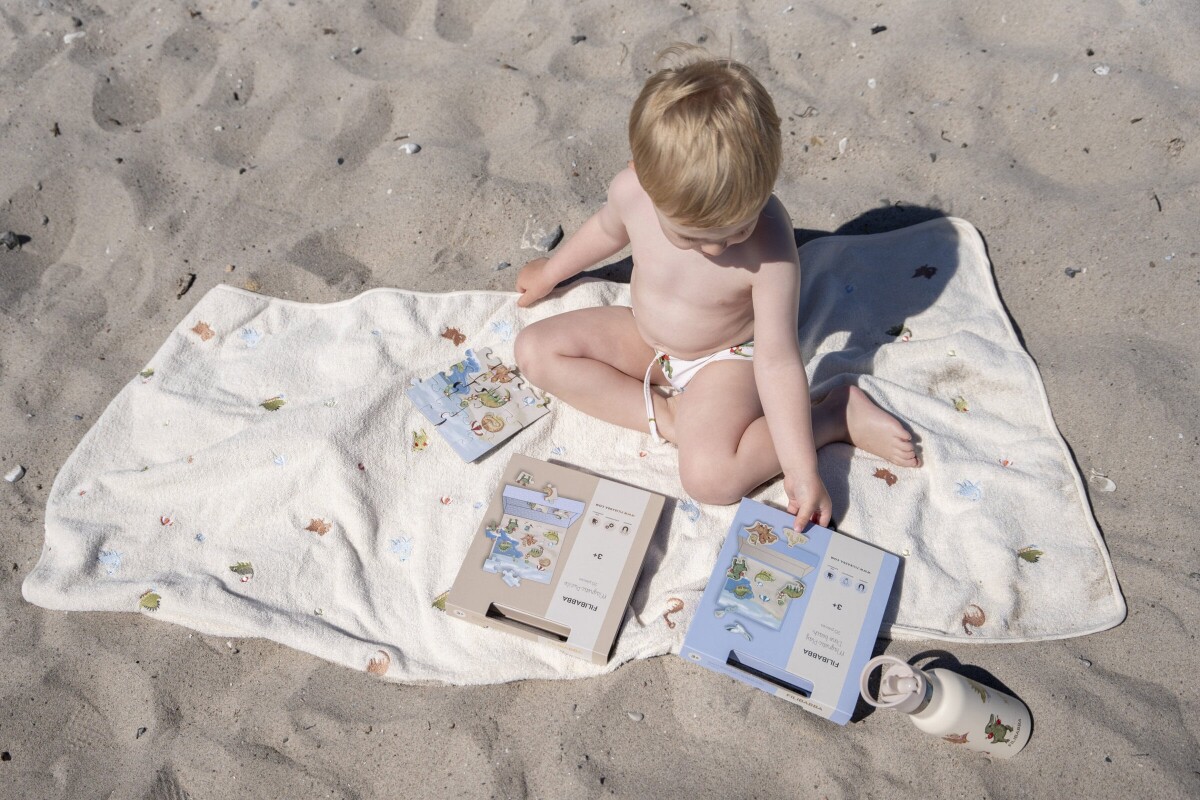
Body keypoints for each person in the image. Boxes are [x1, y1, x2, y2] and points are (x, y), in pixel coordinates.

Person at [513, 48, 919, 529]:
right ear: (642, 176)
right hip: (646, 338)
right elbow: (606, 230)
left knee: (711, 479)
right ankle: (667, 417)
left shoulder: (769, 247)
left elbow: (777, 359)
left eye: (735, 231)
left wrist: (801, 469)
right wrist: (552, 272)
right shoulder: (633, 191)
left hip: (725, 358)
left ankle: (832, 417)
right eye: (692, 236)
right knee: (534, 350)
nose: (716, 249)